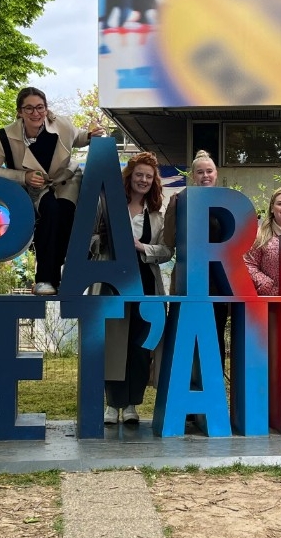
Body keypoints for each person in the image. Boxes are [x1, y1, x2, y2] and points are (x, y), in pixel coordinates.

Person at [0, 87, 104, 295]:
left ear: (46, 109)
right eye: (28, 108)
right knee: (50, 212)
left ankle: (67, 272)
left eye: (40, 107)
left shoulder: (62, 124)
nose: (35, 113)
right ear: (19, 112)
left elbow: (78, 137)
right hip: (36, 189)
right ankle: (46, 278)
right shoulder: (3, 137)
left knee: (67, 212)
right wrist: (23, 177)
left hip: (66, 179)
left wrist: (92, 135)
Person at [91, 152, 173, 425]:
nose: (143, 180)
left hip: (145, 287)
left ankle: (132, 406)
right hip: (112, 286)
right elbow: (91, 238)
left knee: (140, 348)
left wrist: (142, 247)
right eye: (139, 174)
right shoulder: (109, 206)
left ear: (154, 182)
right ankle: (112, 405)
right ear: (130, 176)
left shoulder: (157, 218)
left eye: (149, 177)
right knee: (113, 345)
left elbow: (165, 252)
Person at [163, 150, 229, 371]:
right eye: (200, 172)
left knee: (216, 332)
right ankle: (188, 387)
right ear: (192, 176)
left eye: (209, 171)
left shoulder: (226, 203)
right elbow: (169, 239)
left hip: (217, 283)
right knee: (185, 334)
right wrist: (173, 209)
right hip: (188, 280)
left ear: (216, 173)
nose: (205, 176)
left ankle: (214, 388)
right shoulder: (180, 200)